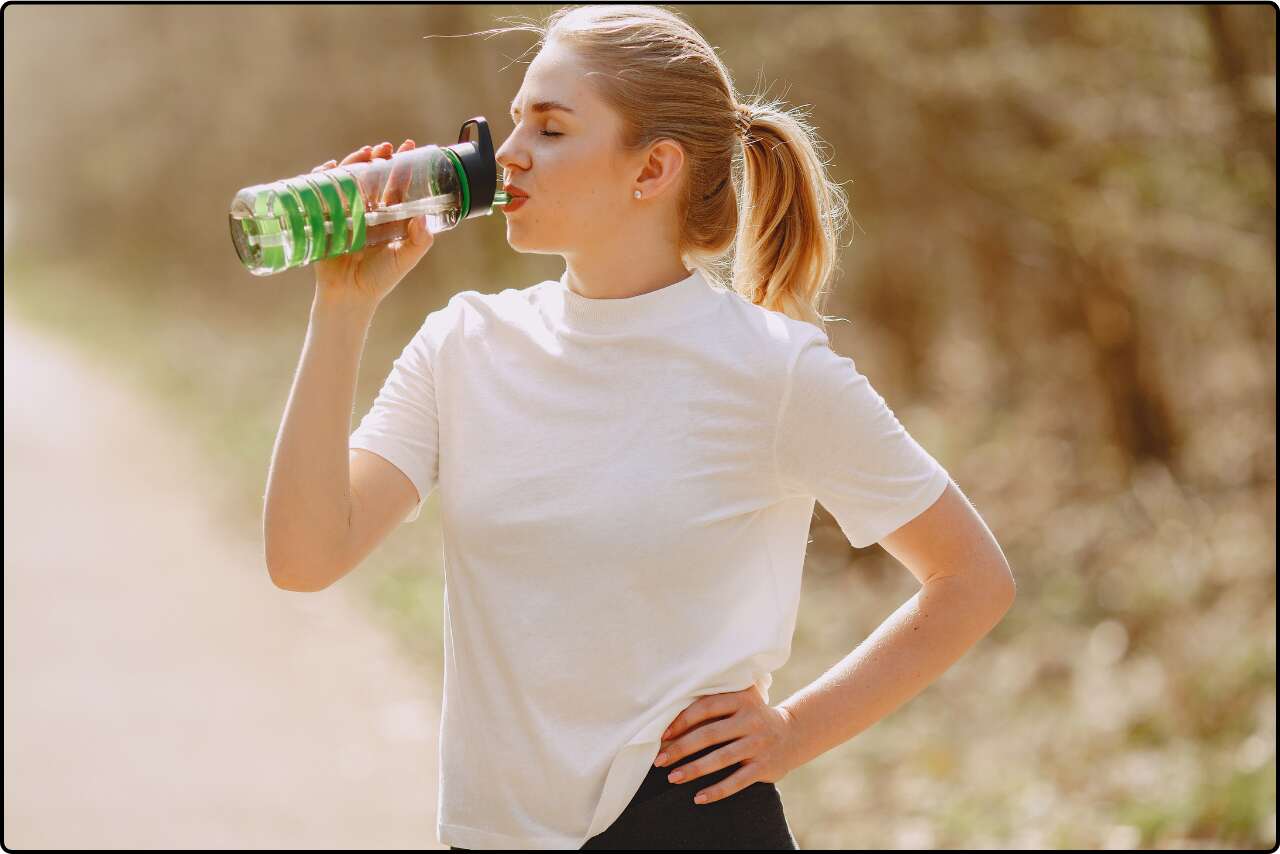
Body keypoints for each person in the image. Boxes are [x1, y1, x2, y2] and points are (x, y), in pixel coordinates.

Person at [264, 4, 1016, 851]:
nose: (506, 154)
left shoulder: (773, 370)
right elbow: (304, 557)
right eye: (513, 121)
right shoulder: (463, 344)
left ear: (652, 168)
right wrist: (343, 306)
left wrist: (795, 732)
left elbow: (971, 580)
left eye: (550, 129)